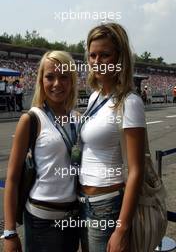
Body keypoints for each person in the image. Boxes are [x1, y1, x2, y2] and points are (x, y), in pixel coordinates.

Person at [2, 51, 79, 252]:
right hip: (41, 221)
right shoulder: (31, 119)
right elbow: (12, 178)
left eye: (63, 77)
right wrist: (10, 232)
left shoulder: (78, 119)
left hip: (73, 219)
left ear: (71, 81)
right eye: (50, 77)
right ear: (41, 80)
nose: (57, 84)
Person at [78, 23, 146, 252]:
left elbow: (137, 169)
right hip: (84, 202)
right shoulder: (94, 97)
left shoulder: (130, 102)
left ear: (120, 58)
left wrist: (121, 229)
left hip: (108, 204)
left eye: (105, 55)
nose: (97, 61)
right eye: (92, 55)